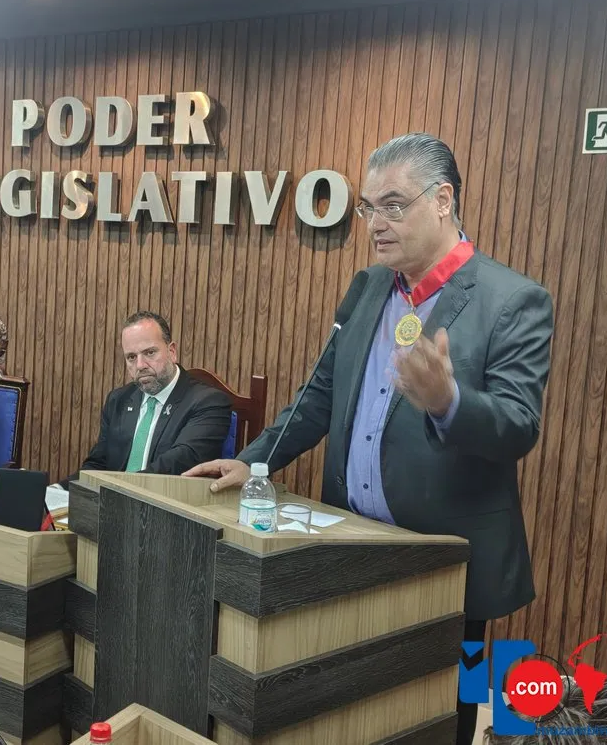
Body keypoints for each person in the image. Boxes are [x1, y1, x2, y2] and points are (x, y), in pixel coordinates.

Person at [185, 133, 554, 745]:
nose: (376, 224)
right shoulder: (369, 288)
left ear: (443, 200)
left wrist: (448, 401)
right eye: (367, 207)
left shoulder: (513, 300)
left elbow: (518, 427)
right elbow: (319, 396)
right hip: (354, 547)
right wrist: (254, 463)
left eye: (393, 205)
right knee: (355, 706)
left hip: (446, 565)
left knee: (445, 714)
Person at [61, 311, 232, 486]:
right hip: (112, 496)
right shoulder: (118, 399)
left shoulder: (209, 402)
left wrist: (121, 490)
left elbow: (178, 463)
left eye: (150, 353)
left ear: (172, 351)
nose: (140, 365)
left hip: (164, 498)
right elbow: (99, 462)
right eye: (131, 357)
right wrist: (60, 490)